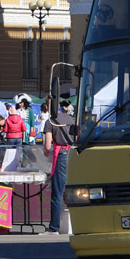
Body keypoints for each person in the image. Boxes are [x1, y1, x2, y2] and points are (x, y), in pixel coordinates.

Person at [43, 99, 77, 234]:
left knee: (57, 193)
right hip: (73, 154)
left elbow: (47, 146)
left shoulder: (50, 121)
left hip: (61, 155)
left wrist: (46, 153)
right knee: (74, 191)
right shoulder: (71, 119)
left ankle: (54, 227)